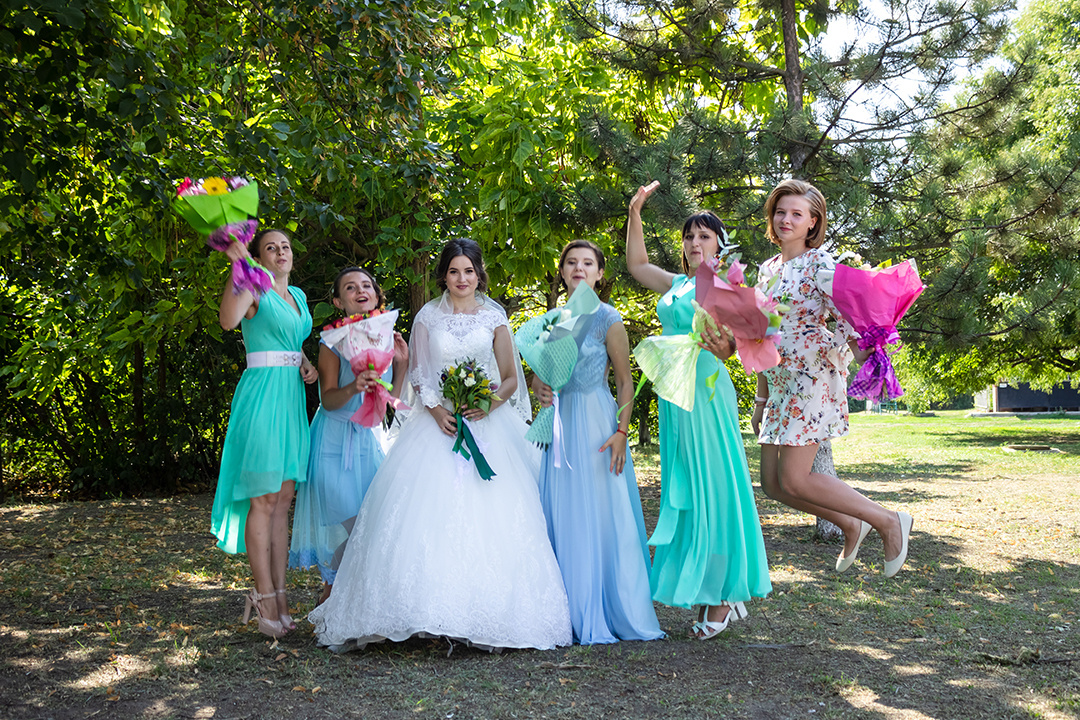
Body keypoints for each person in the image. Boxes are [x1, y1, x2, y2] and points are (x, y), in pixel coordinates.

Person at [307, 239, 571, 652]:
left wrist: (487, 403)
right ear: (443, 276)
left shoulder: (494, 316)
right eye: (453, 271)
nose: (461, 279)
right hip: (438, 424)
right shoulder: (428, 316)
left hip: (487, 424)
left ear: (479, 274)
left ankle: (483, 613)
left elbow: (509, 377)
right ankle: (422, 614)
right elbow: (420, 374)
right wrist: (434, 410)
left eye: (468, 271)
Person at [626, 181, 772, 640]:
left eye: (704, 236)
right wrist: (635, 212)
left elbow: (751, 343)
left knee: (716, 488)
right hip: (674, 398)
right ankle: (713, 588)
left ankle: (725, 596)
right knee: (686, 488)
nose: (694, 243)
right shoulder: (677, 283)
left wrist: (729, 346)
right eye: (689, 236)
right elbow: (635, 265)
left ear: (718, 242)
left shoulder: (731, 283)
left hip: (707, 393)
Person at [752, 178, 913, 577]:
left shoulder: (820, 264)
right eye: (780, 211)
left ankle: (888, 521)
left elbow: (856, 316)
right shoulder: (767, 269)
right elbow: (762, 336)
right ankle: (849, 523)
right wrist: (761, 397)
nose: (786, 219)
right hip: (780, 384)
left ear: (812, 222)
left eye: (796, 214)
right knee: (773, 484)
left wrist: (851, 353)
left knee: (796, 478)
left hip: (811, 380)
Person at [531, 240, 664, 645]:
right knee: (563, 509)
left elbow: (625, 381)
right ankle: (563, 610)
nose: (578, 268)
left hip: (596, 422)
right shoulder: (550, 320)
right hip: (560, 422)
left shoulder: (609, 318)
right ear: (562, 271)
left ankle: (607, 605)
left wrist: (621, 432)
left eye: (587, 263)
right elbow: (541, 378)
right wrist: (540, 389)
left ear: (600, 274)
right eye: (571, 261)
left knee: (601, 512)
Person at [212, 229, 318, 638]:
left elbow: (288, 340)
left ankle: (282, 596)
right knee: (264, 498)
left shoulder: (301, 298)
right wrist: (240, 268)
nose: (280, 252)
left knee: (284, 498)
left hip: (290, 398)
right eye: (270, 247)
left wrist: (305, 362)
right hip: (261, 399)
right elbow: (228, 321)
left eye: (286, 246)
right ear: (259, 256)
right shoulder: (252, 285)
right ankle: (263, 598)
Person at [288, 267, 408, 606]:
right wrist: (353, 385)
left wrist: (401, 365)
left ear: (376, 294)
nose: (361, 291)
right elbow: (327, 399)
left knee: (371, 525)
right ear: (339, 301)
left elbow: (389, 403)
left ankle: (333, 598)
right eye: (351, 287)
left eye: (367, 285)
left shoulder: (386, 336)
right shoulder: (332, 341)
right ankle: (333, 596)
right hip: (333, 442)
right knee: (356, 528)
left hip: (369, 443)